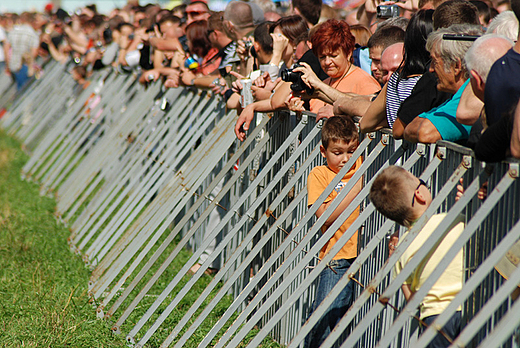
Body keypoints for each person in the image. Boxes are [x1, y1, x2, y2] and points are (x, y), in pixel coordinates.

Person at [369, 165, 464, 348]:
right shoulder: (453, 221)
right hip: (468, 308)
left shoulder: (401, 249)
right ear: (419, 195)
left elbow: (411, 300)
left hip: (434, 320)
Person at [305, 116, 363, 348]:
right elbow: (326, 215)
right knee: (325, 318)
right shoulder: (319, 175)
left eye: (351, 151)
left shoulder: (362, 166)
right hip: (337, 258)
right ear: (323, 150)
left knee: (348, 323)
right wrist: (358, 185)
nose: (346, 159)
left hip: (365, 255)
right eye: (337, 152)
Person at [403, 24, 482, 144]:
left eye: (435, 62)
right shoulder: (458, 96)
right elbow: (409, 129)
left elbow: (425, 133)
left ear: (456, 66)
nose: (431, 69)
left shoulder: (472, 99)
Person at [286, 19, 380, 119]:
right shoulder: (325, 81)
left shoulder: (365, 83)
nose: (327, 62)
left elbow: (373, 120)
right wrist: (301, 113)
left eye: (333, 56)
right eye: (322, 57)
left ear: (348, 54)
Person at [360, 9, 434, 132]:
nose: (373, 68)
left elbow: (367, 124)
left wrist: (389, 123)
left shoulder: (401, 79)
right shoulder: (430, 79)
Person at [4, 12, 39, 90]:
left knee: (17, 87)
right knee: (24, 90)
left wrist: (8, 63)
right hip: (25, 65)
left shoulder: (13, 32)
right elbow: (34, 52)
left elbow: (6, 48)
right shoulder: (33, 34)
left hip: (13, 64)